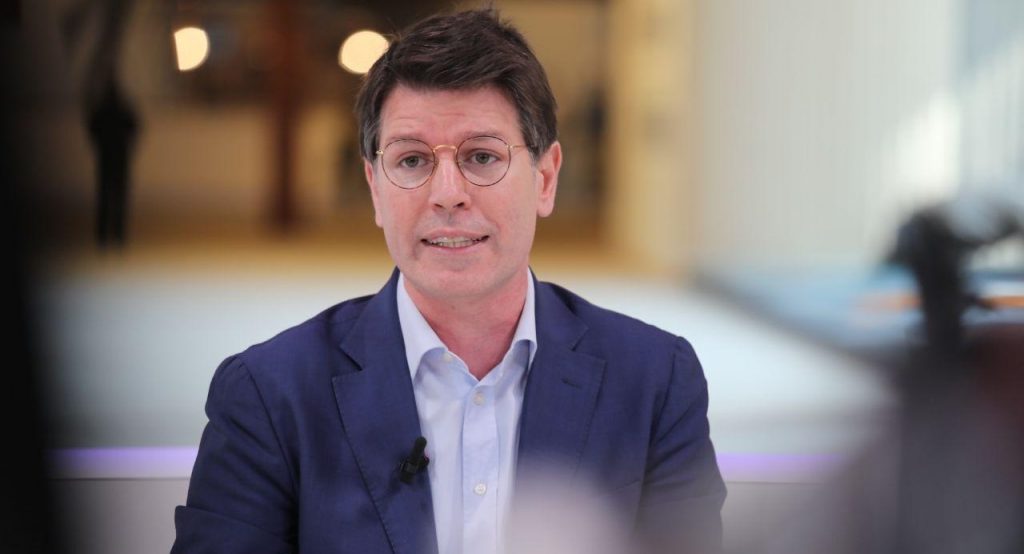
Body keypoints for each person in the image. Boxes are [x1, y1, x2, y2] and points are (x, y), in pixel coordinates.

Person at [172, 9, 725, 554]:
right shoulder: (270, 394)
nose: (447, 194)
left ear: (545, 178)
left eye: (482, 156)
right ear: (375, 188)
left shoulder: (654, 381)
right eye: (412, 161)